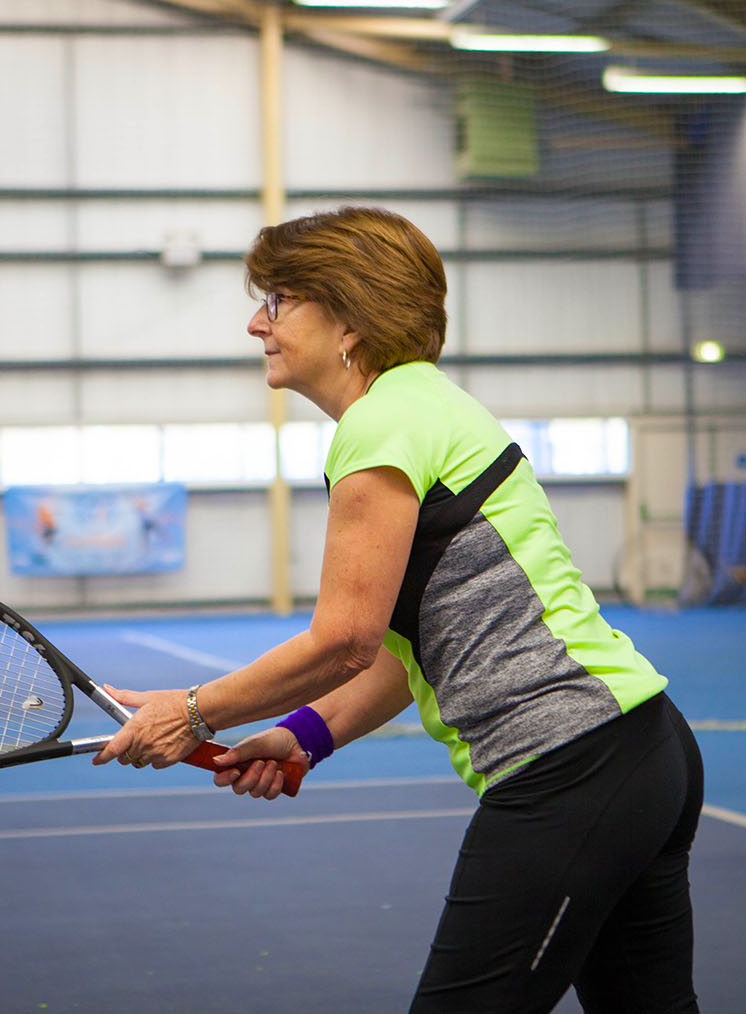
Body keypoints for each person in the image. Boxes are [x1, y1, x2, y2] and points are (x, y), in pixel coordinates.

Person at [94, 206, 704, 1012]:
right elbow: (400, 652)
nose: (256, 323)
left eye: (277, 301)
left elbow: (343, 640)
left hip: (571, 771)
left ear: (347, 317)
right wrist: (307, 734)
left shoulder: (379, 424)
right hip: (642, 750)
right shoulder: (425, 405)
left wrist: (194, 712)